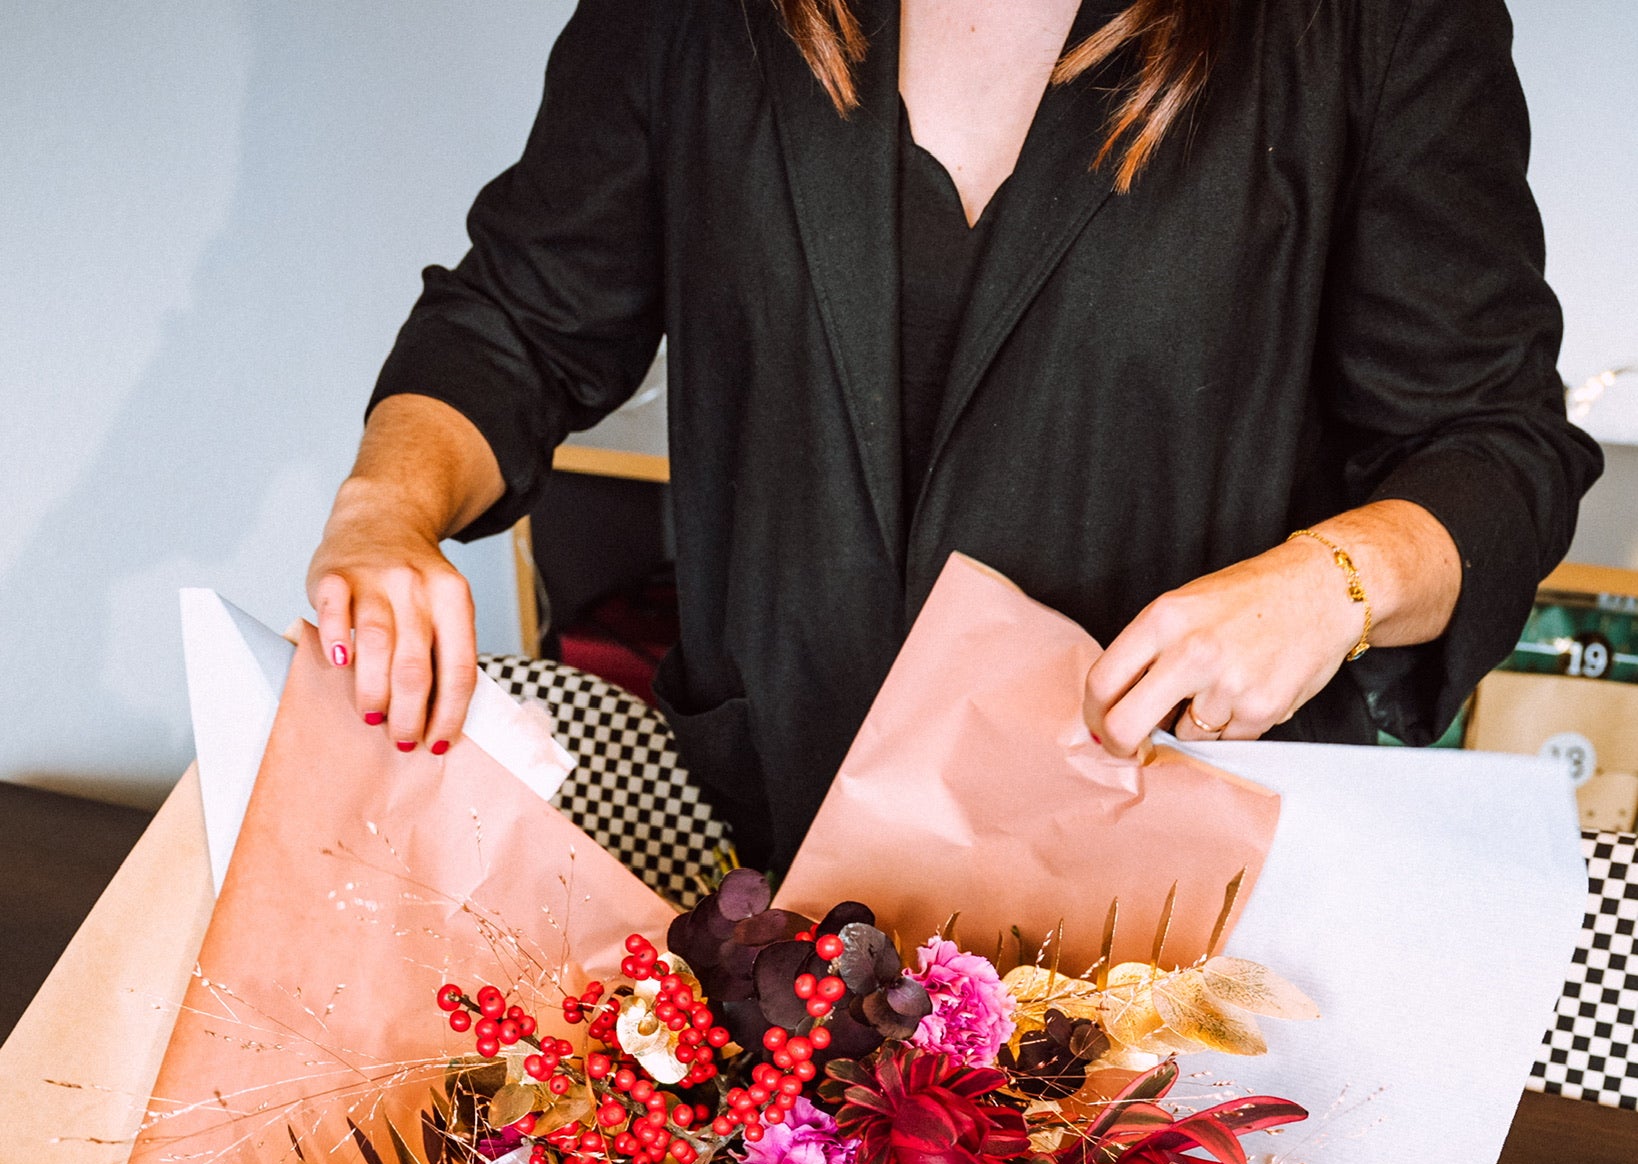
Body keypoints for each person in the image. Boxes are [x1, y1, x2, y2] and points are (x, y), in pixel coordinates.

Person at [307, 0, 1600, 870]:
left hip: (1172, 889)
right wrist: (383, 512)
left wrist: (1332, 585)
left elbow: (1494, 445)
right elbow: (520, 321)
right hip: (785, 858)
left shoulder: (1373, 23)